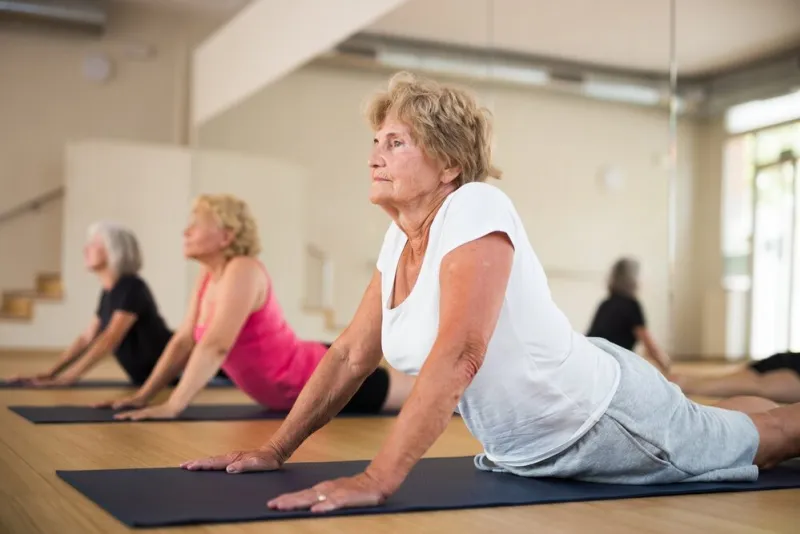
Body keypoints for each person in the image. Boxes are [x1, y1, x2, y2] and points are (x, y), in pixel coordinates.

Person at [180, 72, 800, 514]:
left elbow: (461, 353)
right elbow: (347, 356)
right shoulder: (398, 239)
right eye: (376, 140)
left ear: (449, 164)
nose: (375, 154)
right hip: (552, 431)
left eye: (396, 142)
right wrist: (275, 448)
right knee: (720, 420)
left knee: (771, 439)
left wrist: (377, 477)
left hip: (602, 422)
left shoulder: (474, 204)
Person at [100, 194, 414, 418]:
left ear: (227, 235)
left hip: (319, 376)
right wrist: (142, 396)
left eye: (195, 224)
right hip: (289, 391)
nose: (186, 231)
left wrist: (173, 406)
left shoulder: (243, 269)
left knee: (426, 395)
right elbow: (183, 340)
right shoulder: (208, 276)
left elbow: (215, 345)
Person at [4, 222, 173, 387]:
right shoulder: (109, 292)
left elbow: (110, 339)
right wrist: (50, 373)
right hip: (146, 379)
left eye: (94, 244)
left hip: (176, 373)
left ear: (114, 251)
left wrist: (69, 377)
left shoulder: (132, 287)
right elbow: (86, 338)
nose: (86, 249)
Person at [586, 258, 671, 373]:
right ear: (633, 279)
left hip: (590, 359)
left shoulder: (605, 303)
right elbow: (649, 345)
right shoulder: (631, 305)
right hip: (610, 367)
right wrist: (666, 366)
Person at [672, 351, 800, 404]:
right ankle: (682, 383)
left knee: (752, 383)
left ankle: (683, 382)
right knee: (757, 385)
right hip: (789, 366)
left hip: (785, 363)